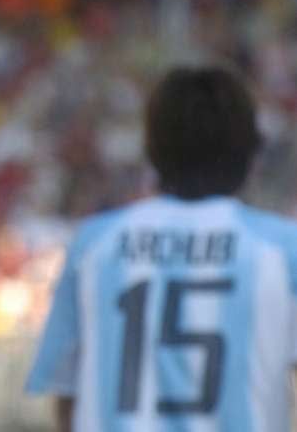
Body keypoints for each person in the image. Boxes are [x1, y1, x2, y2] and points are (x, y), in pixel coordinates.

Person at [26, 66, 297, 432]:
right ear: (250, 153)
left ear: (152, 149)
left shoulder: (94, 244)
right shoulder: (281, 250)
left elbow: (68, 394)